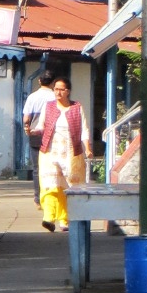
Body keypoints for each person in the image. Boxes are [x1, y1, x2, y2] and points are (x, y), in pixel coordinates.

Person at [37, 76, 90, 233]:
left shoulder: (76, 107)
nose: (58, 92)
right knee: (50, 184)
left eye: (61, 89)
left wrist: (87, 148)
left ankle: (65, 219)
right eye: (55, 89)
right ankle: (48, 218)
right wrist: (32, 131)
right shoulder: (48, 106)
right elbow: (41, 126)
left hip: (71, 153)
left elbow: (84, 130)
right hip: (50, 151)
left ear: (68, 91)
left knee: (67, 186)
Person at [22, 68, 56, 204]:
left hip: (35, 134)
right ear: (53, 83)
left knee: (37, 168)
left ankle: (38, 198)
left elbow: (26, 119)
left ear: (39, 81)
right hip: (52, 135)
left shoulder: (32, 97)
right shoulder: (55, 97)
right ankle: (50, 196)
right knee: (52, 167)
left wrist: (27, 127)